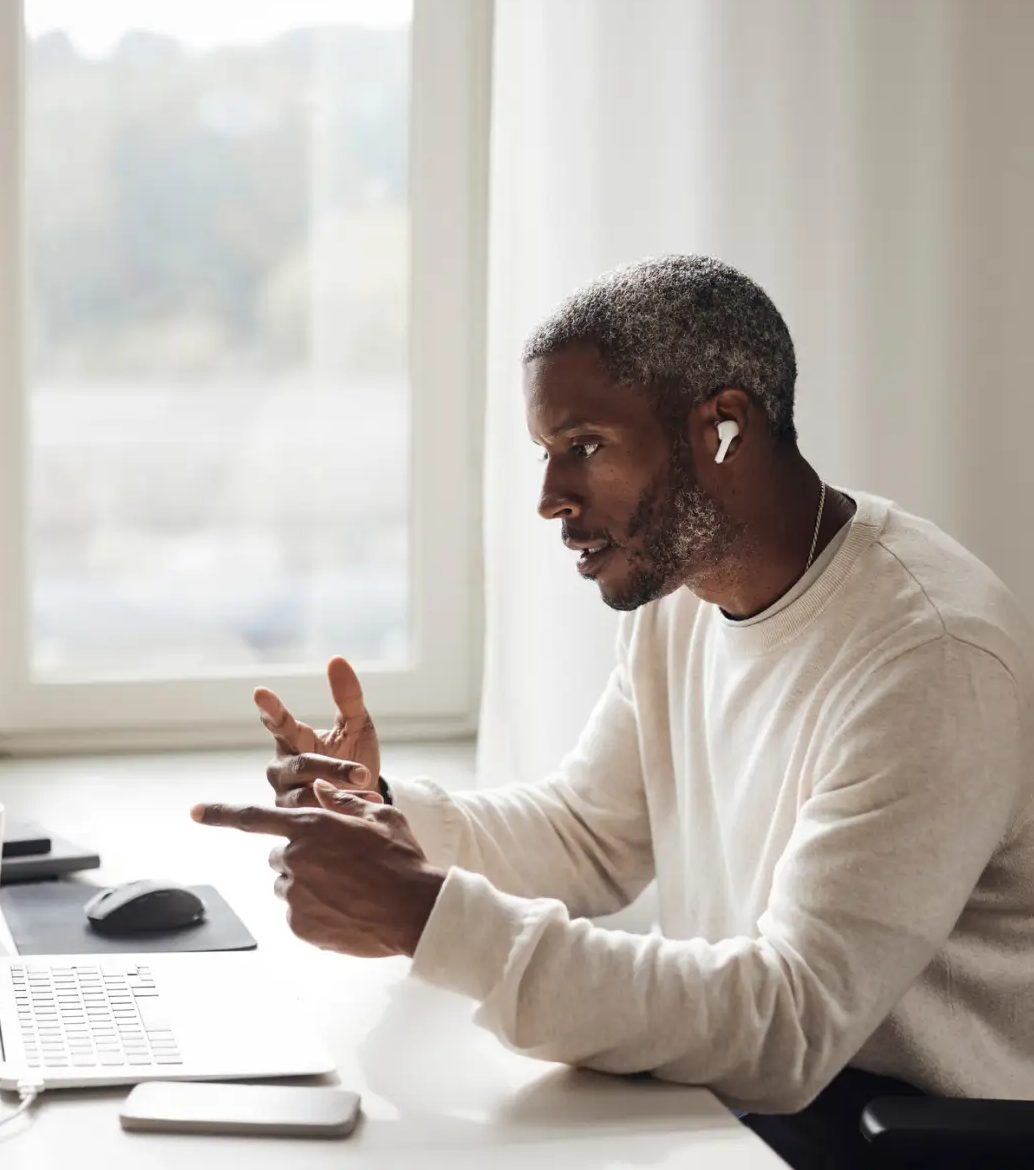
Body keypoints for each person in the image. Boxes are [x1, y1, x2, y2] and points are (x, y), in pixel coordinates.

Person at [191, 255, 1034, 1169]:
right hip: (752, 1109)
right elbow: (590, 835)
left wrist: (427, 915)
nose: (551, 497)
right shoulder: (684, 594)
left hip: (896, 1136)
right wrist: (387, 816)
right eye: (546, 453)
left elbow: (792, 1022)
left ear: (721, 428)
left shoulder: (931, 653)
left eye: (584, 446)